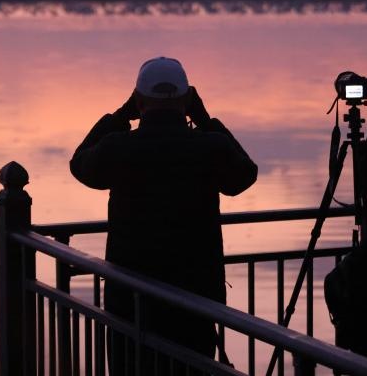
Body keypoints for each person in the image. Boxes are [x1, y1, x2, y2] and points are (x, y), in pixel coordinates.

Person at [70, 56, 258, 373]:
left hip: (131, 301)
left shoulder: (119, 147)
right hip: (194, 302)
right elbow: (244, 174)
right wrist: (205, 119)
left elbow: (80, 165)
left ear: (139, 100)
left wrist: (119, 116)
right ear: (187, 101)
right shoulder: (208, 146)